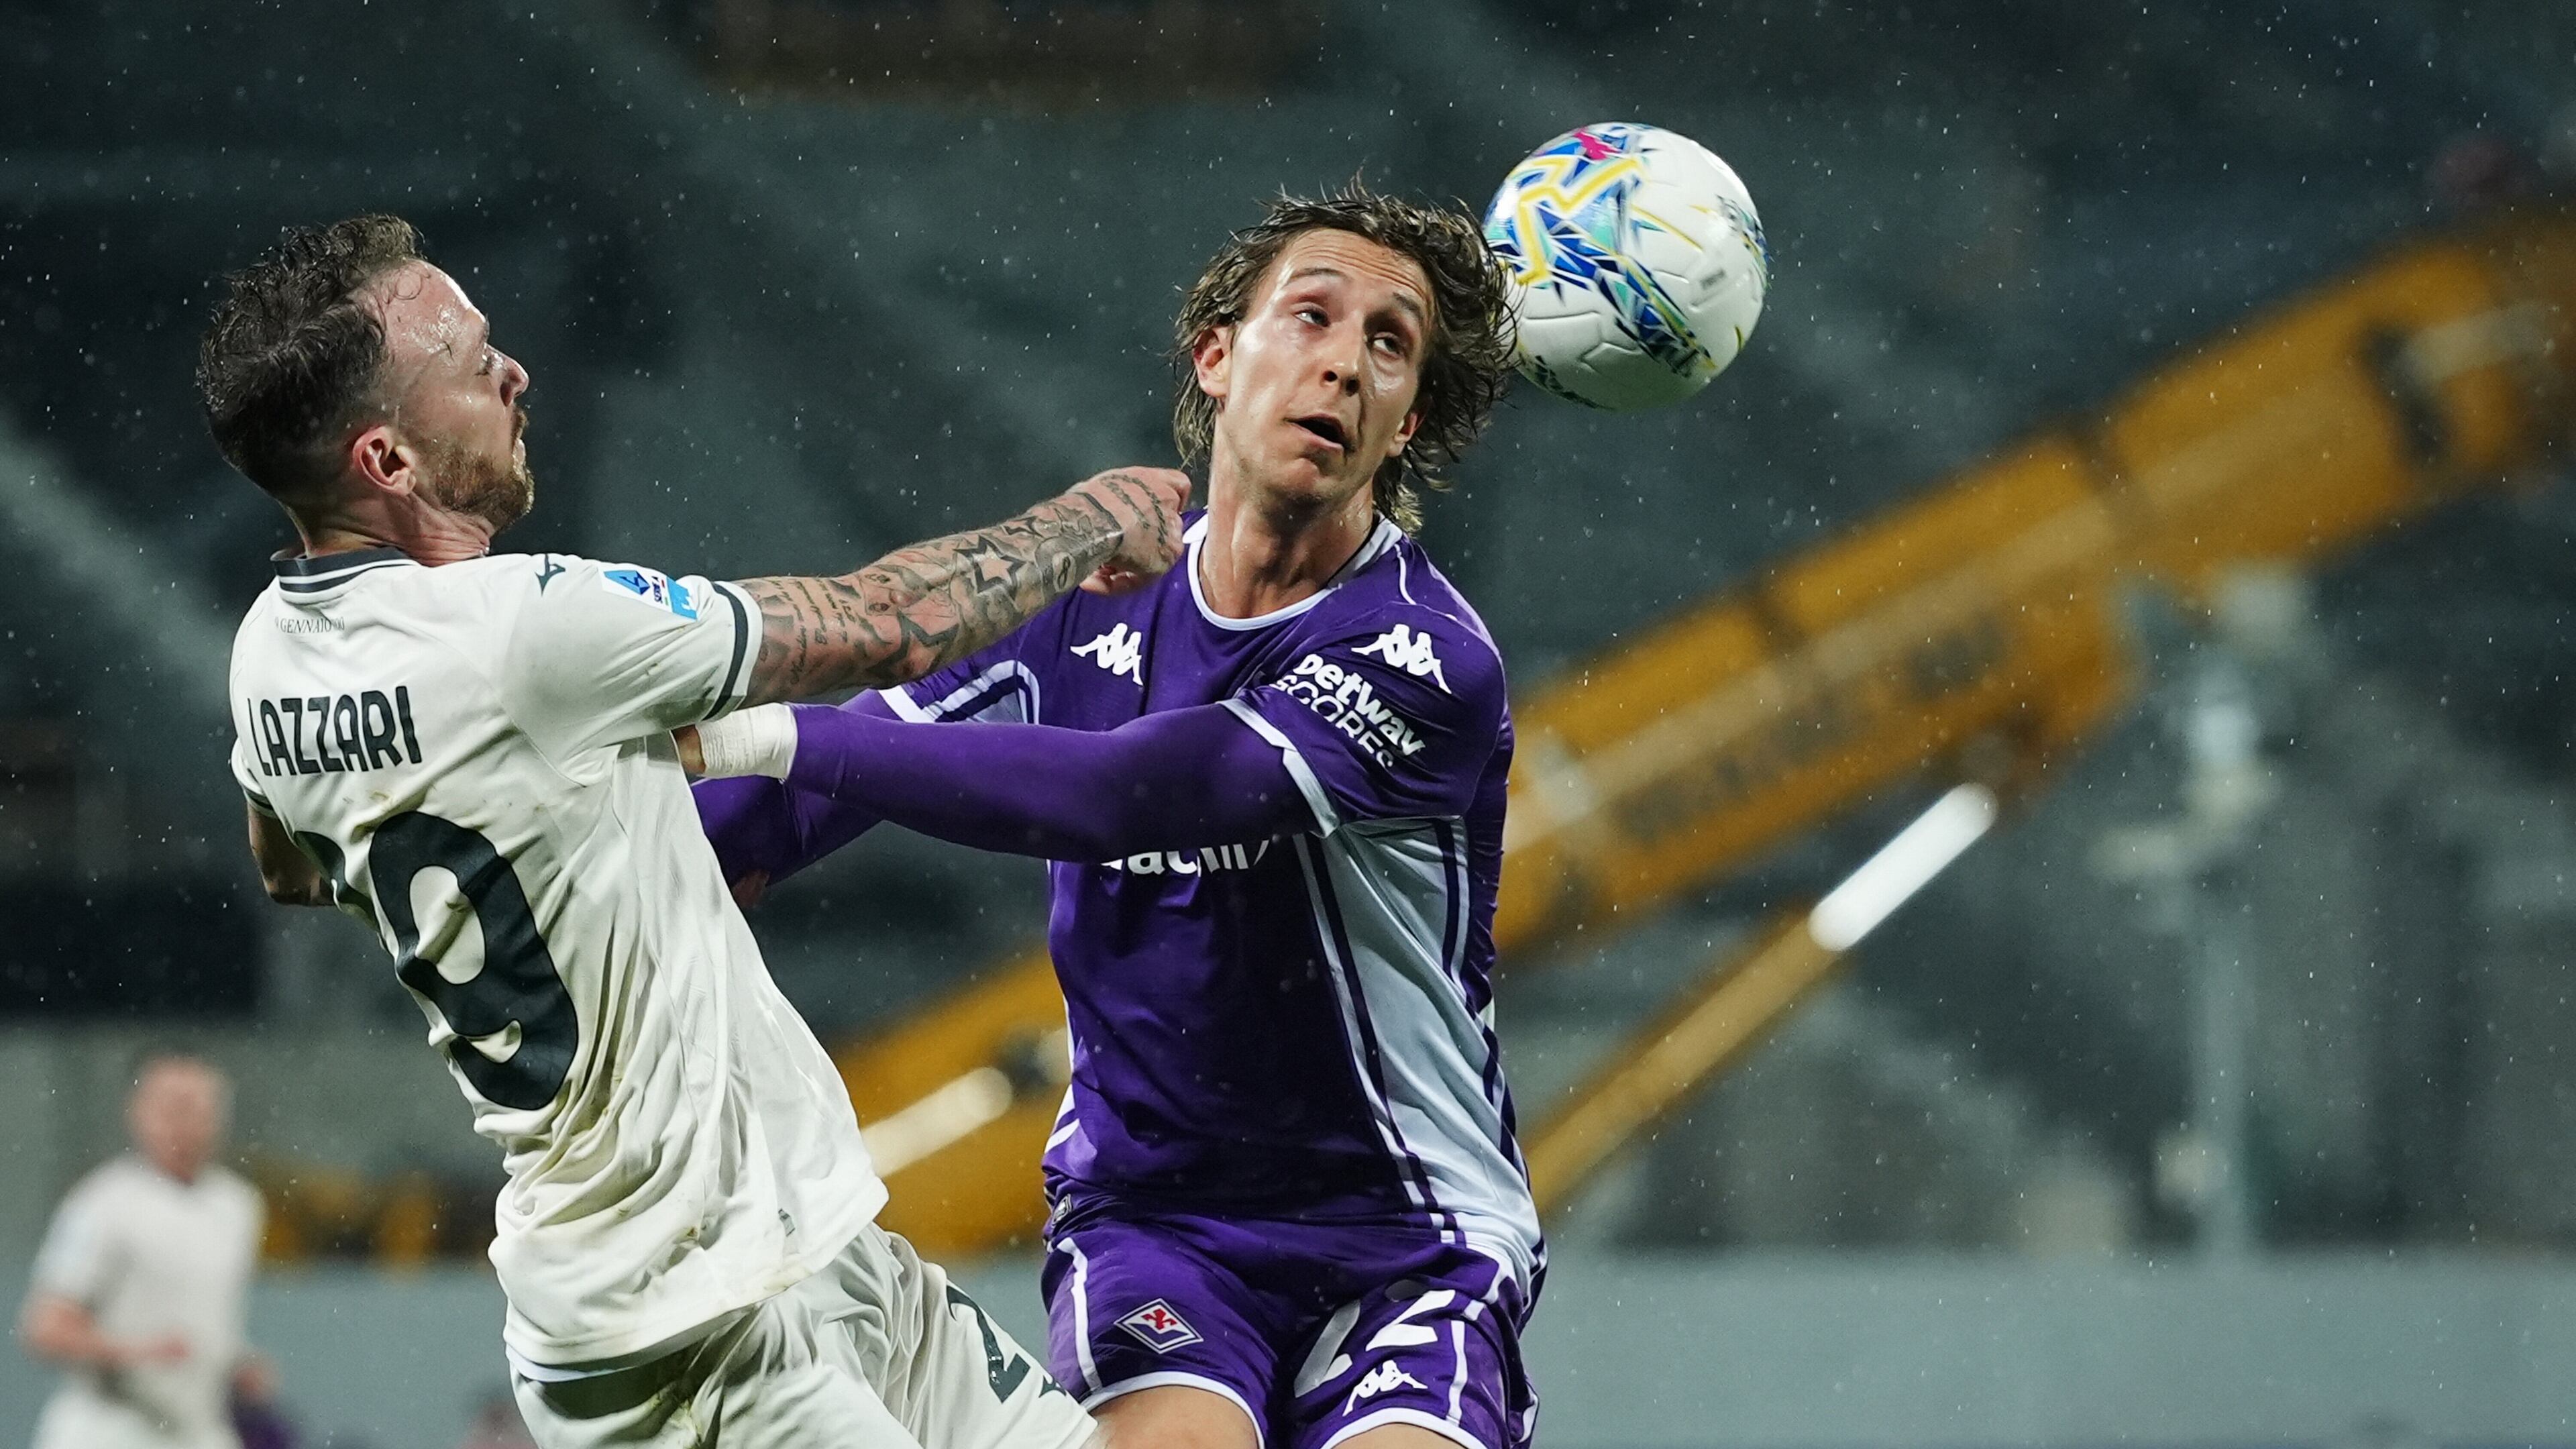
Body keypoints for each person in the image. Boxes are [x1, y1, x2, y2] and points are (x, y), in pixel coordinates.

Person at [202, 214, 1191, 1448]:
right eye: (472, 363)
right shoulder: (522, 627)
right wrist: (1091, 519)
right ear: (389, 461)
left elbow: (291, 863)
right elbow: (879, 621)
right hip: (679, 1335)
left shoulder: (267, 658)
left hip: (810, 1249)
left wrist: (580, 841)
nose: (514, 374)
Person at [689, 182, 1540, 1449]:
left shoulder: (1421, 658)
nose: (1346, 365)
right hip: (1158, 1221)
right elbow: (781, 818)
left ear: (1407, 419)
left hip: (1406, 1237)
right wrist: (563, 859)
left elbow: (1135, 796)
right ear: (1217, 355)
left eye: (1388, 343)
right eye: (1312, 316)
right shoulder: (1089, 596)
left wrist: (775, 724)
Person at [19, 1055, 272, 1449]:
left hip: (198, 1429)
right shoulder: (102, 1203)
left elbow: (207, 1322)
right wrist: (136, 1352)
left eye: (200, 1107)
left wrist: (237, 1363)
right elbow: (45, 1328)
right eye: (173, 1107)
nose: (186, 1122)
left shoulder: (238, 1205)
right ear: (137, 1113)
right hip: (109, 1428)